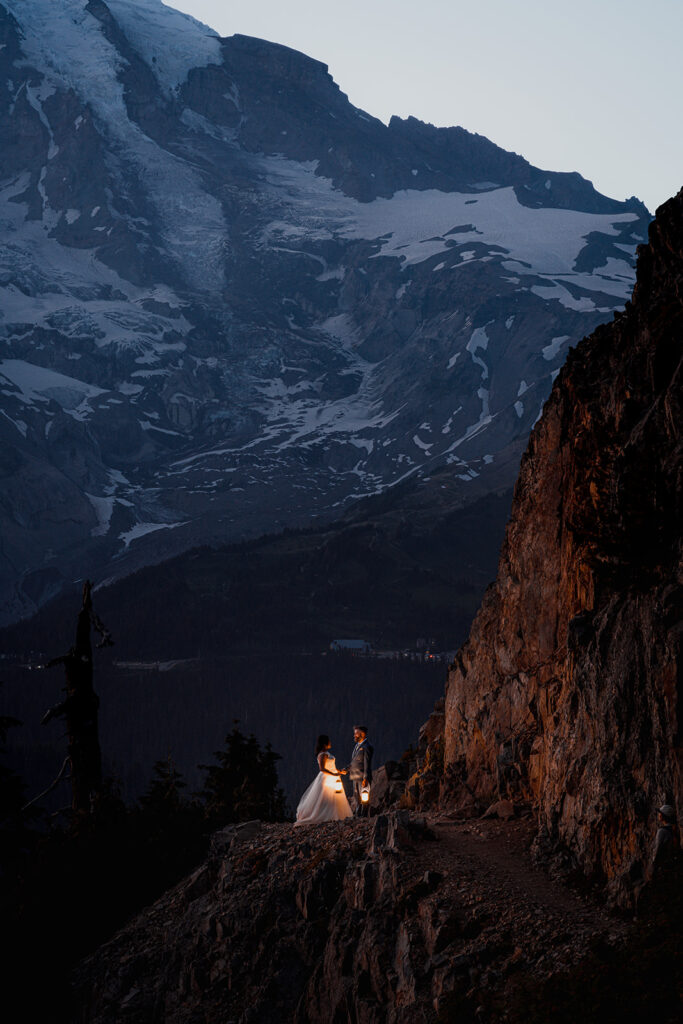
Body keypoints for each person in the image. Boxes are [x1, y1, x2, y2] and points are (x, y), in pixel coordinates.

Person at [294, 734, 352, 825]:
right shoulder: (323, 754)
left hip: (333, 777)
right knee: (325, 798)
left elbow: (331, 767)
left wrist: (339, 772)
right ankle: (323, 816)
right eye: (329, 741)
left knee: (333, 797)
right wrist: (334, 774)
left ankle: (334, 815)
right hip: (327, 778)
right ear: (325, 743)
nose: (330, 743)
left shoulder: (326, 753)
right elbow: (322, 768)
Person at [347, 725, 373, 817]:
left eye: (356, 734)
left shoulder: (367, 746)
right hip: (355, 776)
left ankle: (364, 816)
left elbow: (367, 763)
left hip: (362, 777)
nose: (354, 736)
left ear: (362, 734)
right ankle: (358, 815)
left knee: (364, 798)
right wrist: (347, 769)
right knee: (357, 798)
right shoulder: (357, 746)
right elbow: (355, 761)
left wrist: (365, 778)